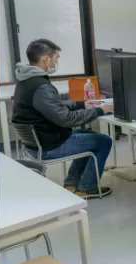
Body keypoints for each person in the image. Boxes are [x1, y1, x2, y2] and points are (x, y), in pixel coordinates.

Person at [12, 39, 114, 199]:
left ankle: (72, 182)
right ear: (46, 59)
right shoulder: (41, 86)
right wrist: (99, 110)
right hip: (49, 146)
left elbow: (52, 105)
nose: (56, 62)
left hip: (38, 142)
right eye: (56, 58)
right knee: (104, 141)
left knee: (90, 136)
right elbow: (67, 119)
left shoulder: (25, 80)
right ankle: (87, 188)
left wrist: (81, 104)